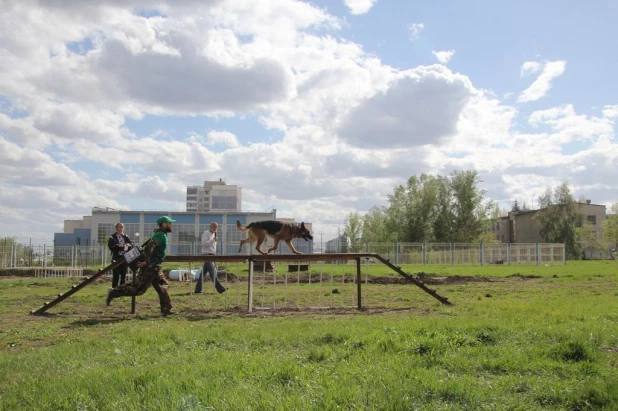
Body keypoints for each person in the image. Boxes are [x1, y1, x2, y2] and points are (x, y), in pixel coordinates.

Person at [106, 216, 176, 316]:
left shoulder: (160, 234)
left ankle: (166, 309)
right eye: (170, 223)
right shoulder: (160, 235)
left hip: (156, 266)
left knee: (162, 287)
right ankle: (115, 291)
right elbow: (149, 247)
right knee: (138, 289)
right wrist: (147, 262)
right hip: (151, 267)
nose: (171, 225)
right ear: (164, 224)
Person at [195, 222, 226, 294]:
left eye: (216, 227)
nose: (215, 228)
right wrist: (213, 240)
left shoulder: (214, 234)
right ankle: (220, 288)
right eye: (214, 226)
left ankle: (198, 289)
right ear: (210, 226)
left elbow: (212, 246)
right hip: (207, 255)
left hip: (212, 255)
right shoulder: (206, 233)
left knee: (203, 274)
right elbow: (204, 243)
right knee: (212, 272)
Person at [107, 223, 133, 288]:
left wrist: (128, 245)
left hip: (125, 258)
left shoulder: (125, 236)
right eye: (120, 227)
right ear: (116, 228)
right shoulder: (112, 237)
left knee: (123, 274)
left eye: (122, 227)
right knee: (116, 274)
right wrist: (119, 246)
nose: (121, 229)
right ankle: (114, 288)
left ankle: (122, 288)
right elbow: (111, 246)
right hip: (117, 258)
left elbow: (131, 244)